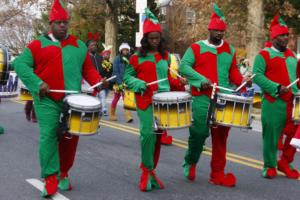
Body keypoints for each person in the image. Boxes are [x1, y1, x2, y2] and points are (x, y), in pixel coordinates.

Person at [13, 0, 106, 197]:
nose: (62, 25)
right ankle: (50, 177)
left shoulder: (79, 45)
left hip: (71, 100)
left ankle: (63, 173)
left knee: (69, 139)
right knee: (49, 135)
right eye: (58, 22)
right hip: (46, 100)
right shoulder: (37, 44)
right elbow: (20, 65)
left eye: (65, 22)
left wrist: (98, 81)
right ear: (51, 24)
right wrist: (38, 83)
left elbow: (88, 69)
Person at [179, 3, 251, 187]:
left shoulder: (229, 49)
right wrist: (200, 80)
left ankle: (217, 173)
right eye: (217, 31)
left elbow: (233, 72)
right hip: (203, 97)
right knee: (199, 133)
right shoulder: (196, 48)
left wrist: (243, 80)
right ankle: (191, 160)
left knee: (221, 138)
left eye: (222, 32)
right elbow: (184, 66)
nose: (220, 35)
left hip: (223, 97)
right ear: (209, 30)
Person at [123, 8, 185, 191]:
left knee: (158, 138)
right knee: (148, 134)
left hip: (163, 101)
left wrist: (179, 82)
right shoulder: (136, 57)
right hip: (145, 100)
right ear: (145, 39)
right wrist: (139, 83)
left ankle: (151, 170)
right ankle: (145, 171)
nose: (155, 42)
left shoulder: (165, 56)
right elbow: (127, 77)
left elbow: (166, 77)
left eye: (157, 38)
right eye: (151, 38)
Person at [253, 15, 299, 179]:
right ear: (274, 37)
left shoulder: (292, 55)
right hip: (274, 102)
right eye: (282, 35)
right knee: (271, 136)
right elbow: (256, 76)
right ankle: (270, 165)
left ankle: (285, 161)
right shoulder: (263, 55)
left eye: (287, 35)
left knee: (295, 135)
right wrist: (276, 87)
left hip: (293, 102)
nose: (285, 38)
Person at [86, 33, 112, 116]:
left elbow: (104, 69)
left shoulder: (100, 57)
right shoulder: (85, 57)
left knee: (101, 97)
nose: (94, 46)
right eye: (92, 45)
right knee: (91, 100)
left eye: (95, 45)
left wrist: (105, 77)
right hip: (89, 84)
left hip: (100, 81)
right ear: (88, 47)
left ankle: (100, 111)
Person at [110, 43, 133, 122]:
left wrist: (128, 81)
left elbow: (131, 71)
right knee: (116, 98)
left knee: (126, 99)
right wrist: (120, 83)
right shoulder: (117, 59)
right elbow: (116, 72)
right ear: (121, 50)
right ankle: (112, 114)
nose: (125, 51)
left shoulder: (130, 59)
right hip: (117, 82)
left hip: (126, 82)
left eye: (127, 50)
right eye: (124, 50)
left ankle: (128, 116)